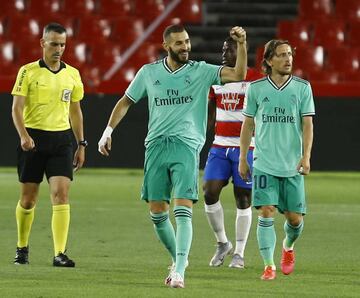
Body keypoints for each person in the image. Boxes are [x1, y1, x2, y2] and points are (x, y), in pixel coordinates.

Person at [98, 24, 247, 288]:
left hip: (186, 146)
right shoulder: (149, 72)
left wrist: (243, 44)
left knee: (182, 210)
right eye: (179, 43)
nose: (185, 47)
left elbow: (238, 74)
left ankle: (178, 270)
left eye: (187, 42)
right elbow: (126, 101)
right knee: (157, 213)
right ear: (166, 46)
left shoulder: (201, 71)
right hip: (155, 146)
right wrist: (108, 131)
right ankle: (178, 258)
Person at [11, 22, 86, 267]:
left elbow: (75, 111)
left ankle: (59, 253)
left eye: (62, 44)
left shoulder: (72, 74)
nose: (59, 49)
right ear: (43, 43)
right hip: (33, 140)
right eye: (54, 44)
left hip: (61, 141)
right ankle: (22, 248)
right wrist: (23, 135)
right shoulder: (28, 71)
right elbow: (17, 108)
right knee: (28, 200)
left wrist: (81, 143)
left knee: (61, 194)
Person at [239, 39, 315, 280]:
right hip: (264, 163)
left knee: (294, 220)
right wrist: (243, 157)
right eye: (281, 55)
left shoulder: (303, 88)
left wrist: (306, 156)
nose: (288, 59)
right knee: (266, 211)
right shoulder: (256, 89)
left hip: (291, 165)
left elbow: (307, 124)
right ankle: (269, 265)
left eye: (289, 54)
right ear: (269, 61)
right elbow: (248, 124)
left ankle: (288, 247)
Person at [203, 37, 263, 269]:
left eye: (229, 49)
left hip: (246, 148)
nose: (224, 53)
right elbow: (209, 115)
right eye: (223, 48)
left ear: (242, 52)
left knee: (243, 198)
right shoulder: (216, 79)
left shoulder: (256, 80)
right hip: (219, 146)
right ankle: (222, 242)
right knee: (209, 192)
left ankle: (239, 252)